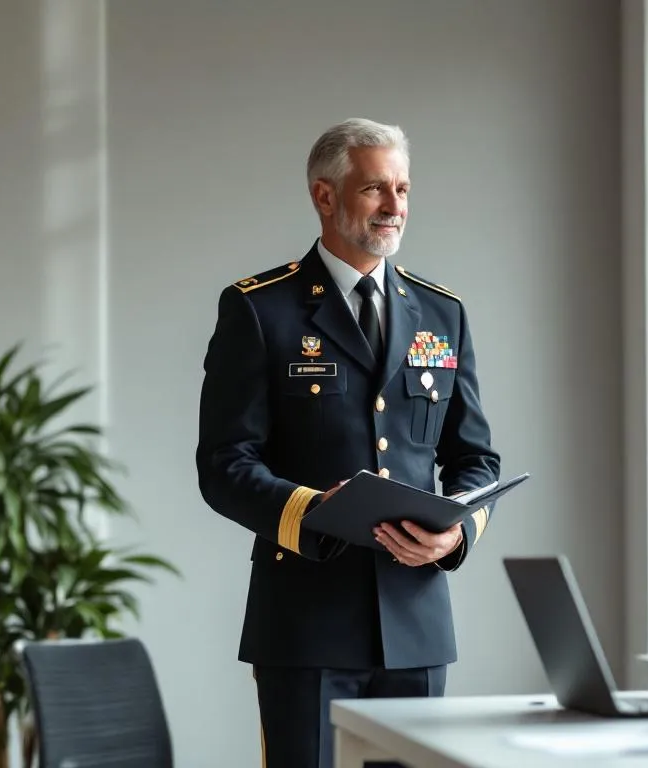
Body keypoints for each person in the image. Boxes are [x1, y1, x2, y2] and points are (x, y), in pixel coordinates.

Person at [195, 118, 501, 767]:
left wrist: (459, 533)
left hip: (417, 628)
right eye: (375, 190)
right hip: (306, 626)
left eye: (403, 189)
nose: (395, 207)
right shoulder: (259, 309)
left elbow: (475, 459)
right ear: (325, 196)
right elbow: (223, 465)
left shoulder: (441, 313)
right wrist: (314, 512)